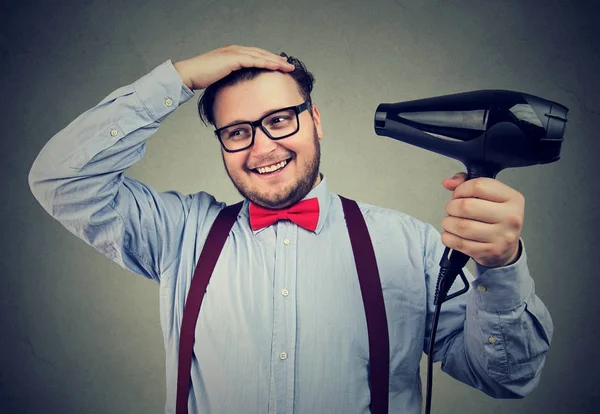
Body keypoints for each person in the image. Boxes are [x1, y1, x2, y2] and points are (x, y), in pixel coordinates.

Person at [28, 45, 553, 414]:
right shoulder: (177, 234)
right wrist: (178, 78)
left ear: (316, 119)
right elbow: (60, 178)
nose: (262, 148)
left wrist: (500, 267)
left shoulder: (409, 245)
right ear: (222, 143)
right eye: (237, 131)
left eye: (280, 120)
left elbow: (507, 377)